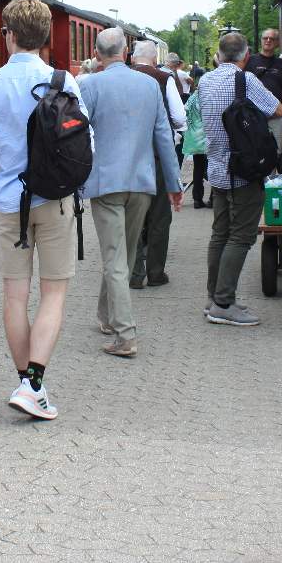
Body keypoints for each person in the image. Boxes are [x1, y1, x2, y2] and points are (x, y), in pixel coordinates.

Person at [0, 0, 87, 420]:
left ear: (11, 35)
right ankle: (32, 384)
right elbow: (84, 143)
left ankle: (26, 383)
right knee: (53, 294)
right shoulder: (63, 81)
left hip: (8, 203)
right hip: (55, 201)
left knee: (14, 296)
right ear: (45, 37)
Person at [82, 28, 182, 358]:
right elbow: (163, 137)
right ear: (125, 51)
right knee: (121, 256)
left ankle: (125, 335)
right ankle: (106, 317)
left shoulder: (89, 85)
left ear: (97, 54)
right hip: (141, 182)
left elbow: (79, 138)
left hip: (105, 183)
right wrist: (173, 184)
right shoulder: (150, 85)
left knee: (114, 258)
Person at [198, 31, 282, 325]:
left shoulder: (204, 80)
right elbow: (278, 109)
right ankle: (224, 303)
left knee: (220, 233)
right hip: (243, 169)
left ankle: (213, 297)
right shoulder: (245, 80)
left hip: (217, 167)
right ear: (246, 56)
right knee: (242, 236)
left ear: (219, 55)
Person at [129, 39, 186, 288]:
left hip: (128, 159)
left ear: (132, 58)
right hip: (157, 156)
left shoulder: (121, 77)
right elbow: (179, 117)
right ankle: (155, 272)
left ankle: (134, 272)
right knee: (160, 216)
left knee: (132, 215)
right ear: (154, 59)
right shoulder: (164, 78)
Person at [248, 29, 282, 153]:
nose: (268, 40)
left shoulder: (281, 63)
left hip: (277, 116)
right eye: (265, 38)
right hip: (255, 116)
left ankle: (272, 173)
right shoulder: (250, 61)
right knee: (255, 152)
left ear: (277, 42)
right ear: (261, 40)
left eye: (272, 39)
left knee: (275, 153)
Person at [183, 71, 208, 208]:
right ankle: (212, 198)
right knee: (210, 168)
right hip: (205, 137)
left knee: (198, 169)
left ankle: (197, 199)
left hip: (194, 138)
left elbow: (184, 110)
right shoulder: (206, 97)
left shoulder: (193, 97)